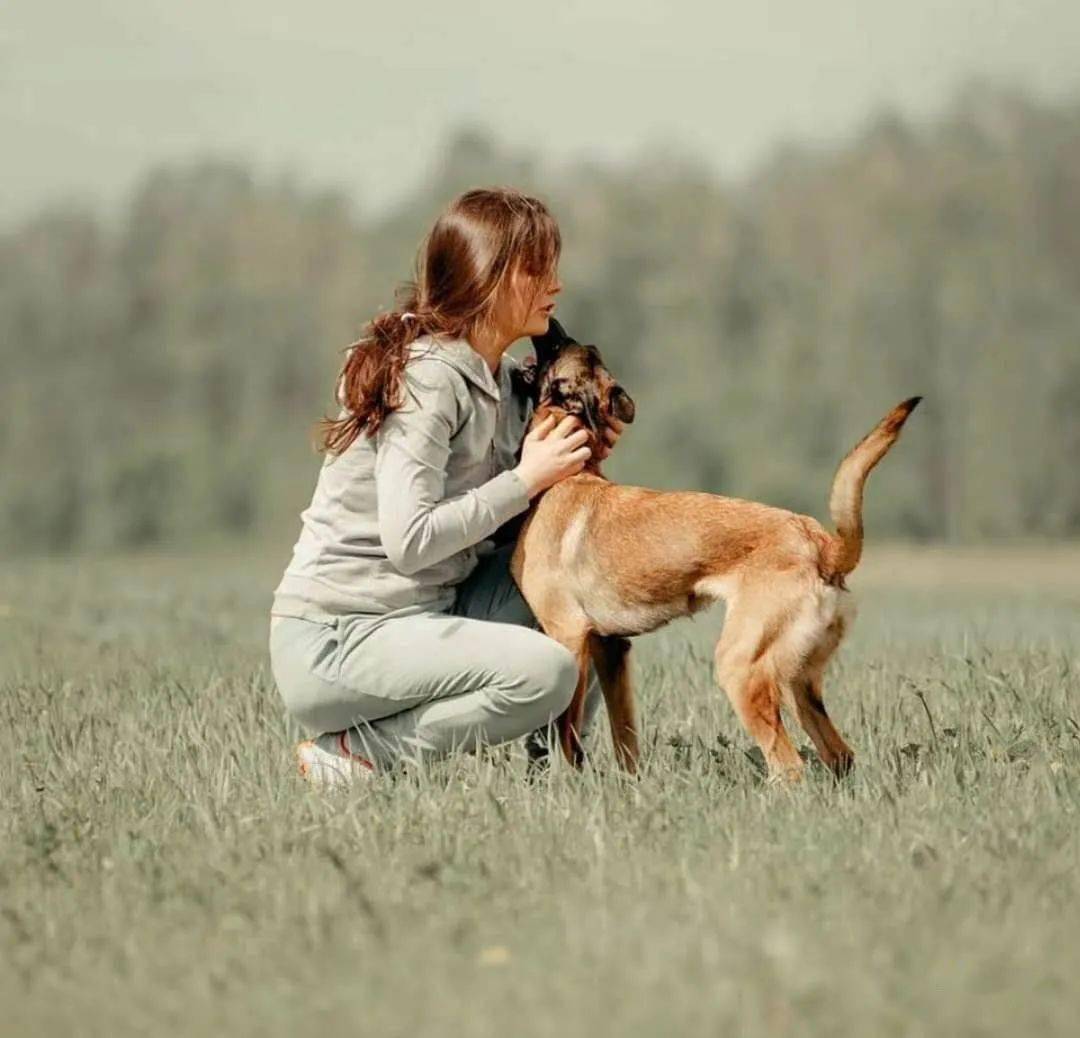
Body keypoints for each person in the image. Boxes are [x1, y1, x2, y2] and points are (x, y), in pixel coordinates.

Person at [269, 187, 625, 786]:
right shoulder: (428, 379)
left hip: (427, 614)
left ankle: (555, 781)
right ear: (490, 277)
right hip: (338, 639)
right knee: (546, 672)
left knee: (584, 588)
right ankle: (360, 759)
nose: (556, 285)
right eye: (537, 268)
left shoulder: (504, 380)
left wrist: (577, 458)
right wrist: (525, 478)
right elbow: (410, 540)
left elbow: (503, 527)